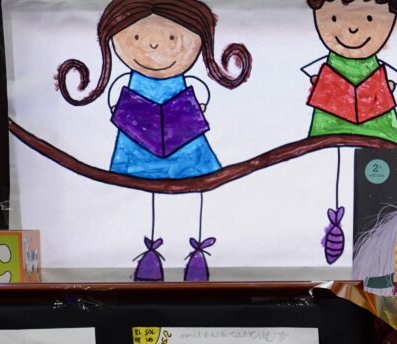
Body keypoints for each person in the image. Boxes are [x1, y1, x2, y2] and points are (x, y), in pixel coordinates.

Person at [56, 0, 252, 281]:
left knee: (192, 203)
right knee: (140, 206)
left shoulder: (182, 91)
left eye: (172, 38)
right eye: (136, 37)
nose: (153, 46)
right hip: (135, 162)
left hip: (189, 161)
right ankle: (150, 256)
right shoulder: (132, 90)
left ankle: (195, 253)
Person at [303, 0, 397, 263]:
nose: (351, 29)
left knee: (382, 189)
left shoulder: (377, 69)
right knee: (329, 179)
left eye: (370, 19)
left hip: (379, 134)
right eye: (334, 19)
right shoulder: (329, 67)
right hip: (329, 135)